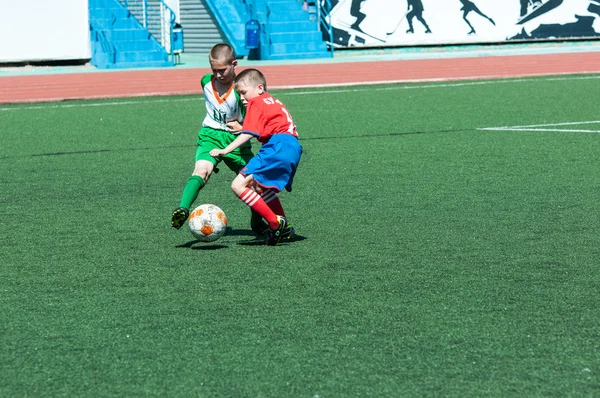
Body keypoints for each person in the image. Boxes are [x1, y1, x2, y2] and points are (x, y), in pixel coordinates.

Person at [171, 43, 267, 234]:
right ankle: (182, 208)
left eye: (222, 70)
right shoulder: (206, 81)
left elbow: (253, 120)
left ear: (234, 64)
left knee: (255, 184)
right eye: (214, 70)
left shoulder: (243, 91)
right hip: (210, 135)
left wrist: (241, 128)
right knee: (201, 171)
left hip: (236, 141)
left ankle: (257, 224)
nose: (218, 75)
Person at [209, 68, 302, 246]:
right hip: (292, 147)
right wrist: (243, 127)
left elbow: (249, 133)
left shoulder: (256, 102)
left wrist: (225, 150)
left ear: (260, 88)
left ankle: (275, 223)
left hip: (277, 146)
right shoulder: (272, 100)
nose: (242, 99)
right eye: (239, 95)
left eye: (244, 93)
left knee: (238, 185)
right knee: (260, 186)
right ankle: (286, 228)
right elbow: (265, 124)